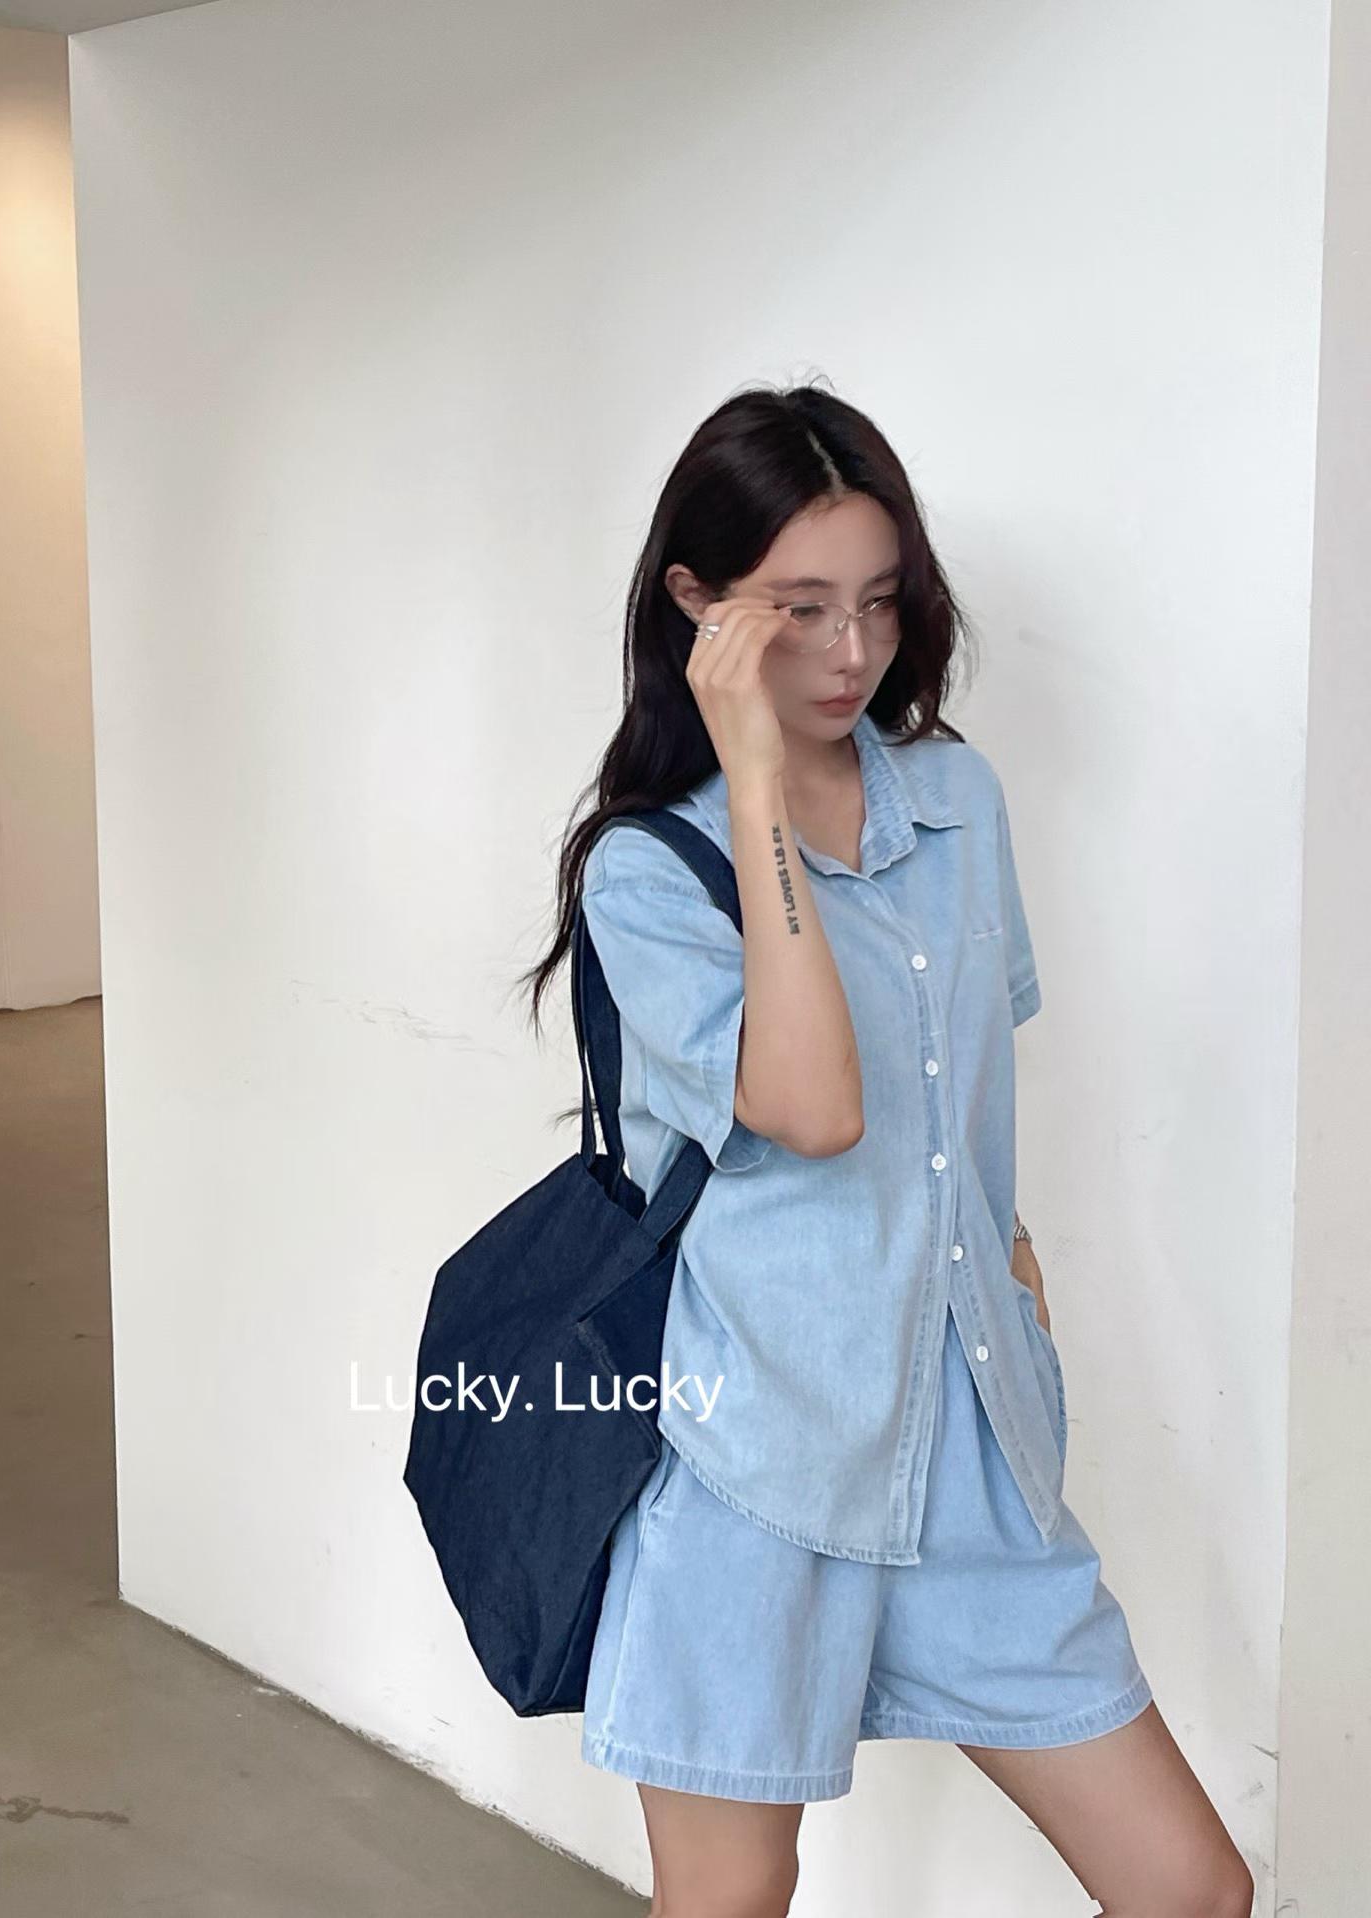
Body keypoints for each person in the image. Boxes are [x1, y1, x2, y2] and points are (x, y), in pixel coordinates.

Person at [520, 383, 1253, 1918]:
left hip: (967, 1440)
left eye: (877, 599)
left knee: (1188, 1884)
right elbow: (815, 1105)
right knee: (731, 1903)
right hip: (754, 1468)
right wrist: (758, 787)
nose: (851, 651)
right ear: (698, 607)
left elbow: (966, 1091)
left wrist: (1014, 1263)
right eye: (800, 609)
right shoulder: (647, 876)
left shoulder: (958, 802)